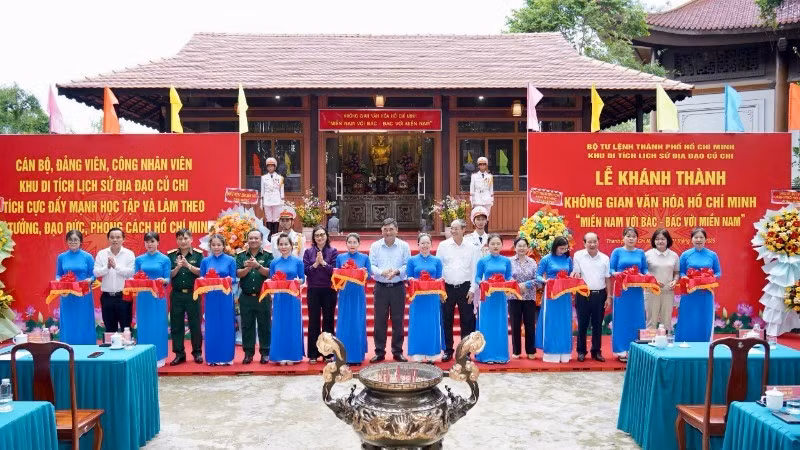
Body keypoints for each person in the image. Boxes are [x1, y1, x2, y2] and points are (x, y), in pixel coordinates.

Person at [369, 218, 411, 363]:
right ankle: (379, 352)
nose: (388, 232)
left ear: (397, 230)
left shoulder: (404, 246)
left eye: (391, 229)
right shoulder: (375, 246)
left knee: (398, 321)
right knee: (379, 321)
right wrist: (382, 272)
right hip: (380, 287)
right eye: (385, 229)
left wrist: (397, 272)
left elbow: (407, 265)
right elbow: (371, 265)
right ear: (381, 231)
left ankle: (397, 351)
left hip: (398, 287)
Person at [437, 219, 479, 362]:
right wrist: (441, 290)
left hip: (465, 288)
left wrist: (473, 289)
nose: (453, 231)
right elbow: (439, 269)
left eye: (456, 228)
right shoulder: (443, 246)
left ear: (463, 229)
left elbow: (475, 270)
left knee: (467, 321)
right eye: (451, 228)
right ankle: (448, 350)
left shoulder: (472, 247)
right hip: (447, 288)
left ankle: (464, 352)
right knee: (446, 319)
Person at [609, 227, 648, 362]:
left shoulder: (641, 253)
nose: (631, 238)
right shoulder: (617, 251)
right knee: (621, 319)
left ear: (637, 239)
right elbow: (611, 269)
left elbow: (645, 270)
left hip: (636, 290)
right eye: (628, 236)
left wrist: (647, 276)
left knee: (637, 318)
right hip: (622, 290)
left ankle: (637, 349)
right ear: (623, 238)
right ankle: (621, 350)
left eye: (633, 236)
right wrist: (616, 274)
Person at [571, 232, 611, 363]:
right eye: (589, 242)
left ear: (599, 242)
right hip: (583, 294)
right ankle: (581, 351)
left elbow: (607, 278)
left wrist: (609, 296)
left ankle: (596, 351)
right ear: (584, 243)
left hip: (600, 295)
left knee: (597, 325)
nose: (592, 244)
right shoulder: (578, 256)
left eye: (595, 241)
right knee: (582, 324)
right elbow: (576, 273)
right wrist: (574, 275)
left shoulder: (605, 258)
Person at [676, 228, 721, 342]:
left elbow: (718, 272)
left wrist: (710, 278)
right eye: (696, 237)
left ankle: (704, 344)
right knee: (687, 318)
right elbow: (681, 272)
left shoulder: (712, 255)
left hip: (706, 293)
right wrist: (684, 277)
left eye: (701, 237)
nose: (699, 240)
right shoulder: (685, 255)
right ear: (691, 239)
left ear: (706, 239)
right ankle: (684, 343)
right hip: (689, 293)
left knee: (704, 318)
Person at [236, 229, 273, 365]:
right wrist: (247, 268)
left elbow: (270, 273)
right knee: (247, 326)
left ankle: (265, 353)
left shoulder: (268, 255)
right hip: (246, 297)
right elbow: (237, 273)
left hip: (262, 296)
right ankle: (248, 353)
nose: (253, 240)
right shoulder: (240, 256)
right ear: (247, 240)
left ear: (261, 240)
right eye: (250, 238)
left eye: (256, 238)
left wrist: (257, 266)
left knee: (264, 325)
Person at [200, 234, 238, 365]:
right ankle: (212, 358)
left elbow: (234, 278)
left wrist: (222, 280)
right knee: (212, 326)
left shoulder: (230, 260)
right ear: (210, 246)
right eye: (213, 245)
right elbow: (202, 280)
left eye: (219, 245)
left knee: (226, 325)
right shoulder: (205, 261)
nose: (216, 247)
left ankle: (227, 357)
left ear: (224, 245)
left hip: (225, 296)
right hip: (210, 297)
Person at [134, 232, 171, 367]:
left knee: (158, 325)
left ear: (158, 242)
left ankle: (159, 356)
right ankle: (144, 355)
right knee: (144, 325)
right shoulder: (139, 260)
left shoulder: (164, 259)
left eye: (152, 241)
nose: (150, 244)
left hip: (158, 297)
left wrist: (163, 280)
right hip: (143, 297)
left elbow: (168, 278)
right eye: (147, 242)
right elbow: (136, 277)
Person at [167, 229, 204, 365]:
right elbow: (168, 275)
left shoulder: (199, 255)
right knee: (176, 325)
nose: (183, 241)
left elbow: (202, 272)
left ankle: (197, 352)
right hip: (176, 294)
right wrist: (177, 267)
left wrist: (188, 266)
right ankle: (179, 354)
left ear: (191, 239)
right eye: (180, 239)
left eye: (186, 238)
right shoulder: (170, 256)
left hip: (193, 294)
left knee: (195, 324)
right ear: (177, 241)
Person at [474, 234, 512, 364]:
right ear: (488, 245)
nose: (495, 246)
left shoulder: (506, 261)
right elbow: (477, 278)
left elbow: (508, 278)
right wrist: (482, 283)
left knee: (500, 325)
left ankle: (501, 355)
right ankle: (486, 355)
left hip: (500, 297)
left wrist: (509, 284)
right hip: (487, 297)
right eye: (493, 244)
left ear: (502, 245)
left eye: (498, 244)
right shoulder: (483, 261)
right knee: (487, 325)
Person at [269, 233, 306, 365]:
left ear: (291, 246)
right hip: (279, 297)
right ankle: (279, 355)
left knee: (292, 324)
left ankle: (293, 355)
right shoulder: (274, 262)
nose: (283, 247)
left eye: (286, 244)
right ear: (277, 246)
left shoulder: (298, 262)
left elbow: (303, 278)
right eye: (281, 244)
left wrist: (298, 281)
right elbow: (271, 279)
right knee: (279, 324)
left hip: (293, 297)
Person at [535, 236, 574, 363]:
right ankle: (551, 352)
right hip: (551, 293)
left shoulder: (568, 259)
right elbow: (538, 275)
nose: (563, 250)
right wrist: (545, 281)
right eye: (560, 248)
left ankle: (564, 352)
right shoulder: (546, 259)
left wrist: (574, 276)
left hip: (565, 293)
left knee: (564, 321)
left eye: (565, 248)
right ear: (555, 247)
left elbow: (572, 273)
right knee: (552, 321)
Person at [303, 226, 338, 363]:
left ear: (327, 236)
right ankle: (313, 353)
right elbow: (306, 271)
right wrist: (316, 264)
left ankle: (328, 353)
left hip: (329, 289)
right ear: (314, 238)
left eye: (322, 234)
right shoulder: (308, 252)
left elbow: (334, 271)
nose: (320, 237)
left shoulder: (333, 251)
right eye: (317, 235)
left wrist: (323, 263)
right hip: (313, 289)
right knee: (313, 321)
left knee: (328, 320)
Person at [406, 233, 444, 363]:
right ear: (418, 245)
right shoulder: (412, 260)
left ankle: (432, 354)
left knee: (431, 323)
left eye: (427, 243)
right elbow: (409, 278)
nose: (425, 245)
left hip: (432, 297)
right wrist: (412, 280)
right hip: (417, 298)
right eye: (422, 243)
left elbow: (439, 278)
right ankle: (417, 353)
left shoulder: (437, 261)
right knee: (417, 323)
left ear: (431, 244)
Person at [335, 233, 371, 365]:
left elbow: (370, 275)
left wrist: (363, 272)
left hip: (358, 294)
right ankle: (342, 355)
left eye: (354, 242)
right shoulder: (340, 257)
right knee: (344, 322)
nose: (352, 244)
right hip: (344, 293)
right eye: (349, 242)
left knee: (357, 322)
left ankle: (356, 356)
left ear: (359, 244)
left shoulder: (364, 258)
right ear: (346, 244)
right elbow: (336, 274)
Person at [55, 230, 96, 344]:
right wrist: (58, 280)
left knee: (83, 320)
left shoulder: (88, 257)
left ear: (80, 242)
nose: (73, 242)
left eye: (76, 240)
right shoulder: (61, 257)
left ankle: (87, 346)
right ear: (67, 241)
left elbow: (94, 275)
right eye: (70, 240)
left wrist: (90, 279)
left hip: (83, 294)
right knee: (69, 320)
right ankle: (68, 346)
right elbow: (58, 273)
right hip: (67, 295)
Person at [94, 227, 135, 333]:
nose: (115, 240)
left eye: (118, 237)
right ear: (108, 239)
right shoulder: (102, 254)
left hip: (124, 296)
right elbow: (96, 272)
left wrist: (116, 267)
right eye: (112, 237)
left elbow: (131, 272)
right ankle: (110, 349)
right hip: (107, 297)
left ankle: (128, 349)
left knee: (126, 328)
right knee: (110, 329)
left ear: (123, 239)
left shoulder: (129, 254)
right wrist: (107, 267)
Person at [509, 236, 539, 360]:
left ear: (528, 248)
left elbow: (537, 279)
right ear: (515, 247)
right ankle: (516, 351)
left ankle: (530, 350)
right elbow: (506, 277)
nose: (521, 248)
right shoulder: (509, 261)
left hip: (529, 297)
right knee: (515, 324)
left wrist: (527, 285)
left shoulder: (532, 262)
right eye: (519, 246)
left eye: (524, 246)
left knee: (530, 324)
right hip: (513, 296)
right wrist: (516, 285)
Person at [645, 229, 680, 331]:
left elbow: (676, 272)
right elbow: (644, 272)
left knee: (666, 322)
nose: (660, 241)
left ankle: (666, 345)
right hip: (651, 292)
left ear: (667, 240)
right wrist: (652, 281)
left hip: (668, 292)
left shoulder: (674, 255)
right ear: (653, 241)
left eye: (663, 239)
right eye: (657, 239)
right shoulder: (647, 255)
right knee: (651, 321)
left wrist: (675, 281)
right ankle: (649, 345)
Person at [261, 156, 284, 237]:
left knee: (276, 218)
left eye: (272, 166)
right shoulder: (263, 178)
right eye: (268, 166)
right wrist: (261, 202)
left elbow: (281, 190)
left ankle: (275, 235)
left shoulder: (280, 178)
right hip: (267, 200)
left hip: (276, 200)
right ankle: (269, 236)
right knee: (269, 218)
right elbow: (262, 191)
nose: (270, 167)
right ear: (267, 167)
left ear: (275, 167)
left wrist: (282, 201)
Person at [470, 156, 494, 224]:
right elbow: (472, 189)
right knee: (477, 216)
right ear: (478, 166)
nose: (482, 166)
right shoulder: (474, 176)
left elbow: (491, 189)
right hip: (477, 199)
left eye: (484, 164)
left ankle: (485, 233)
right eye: (480, 164)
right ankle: (477, 233)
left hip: (487, 198)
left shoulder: (489, 176)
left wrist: (492, 200)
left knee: (486, 216)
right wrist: (472, 200)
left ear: (486, 165)